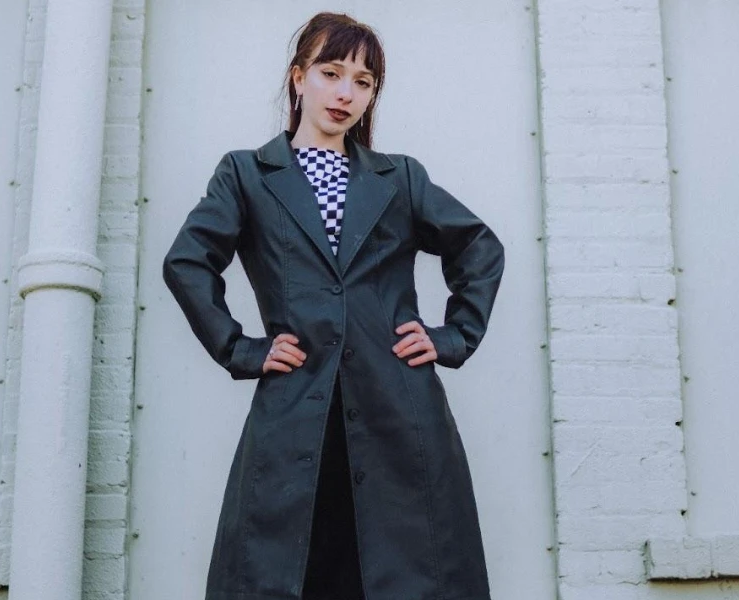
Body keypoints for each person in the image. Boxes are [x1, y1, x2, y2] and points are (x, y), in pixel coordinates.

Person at [163, 11, 505, 600]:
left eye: (364, 81)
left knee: (407, 576)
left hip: (399, 411)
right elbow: (187, 262)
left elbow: (479, 247)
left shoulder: (400, 178)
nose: (346, 93)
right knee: (287, 572)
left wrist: (451, 336)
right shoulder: (247, 174)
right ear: (298, 78)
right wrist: (241, 349)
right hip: (296, 409)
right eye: (331, 72)